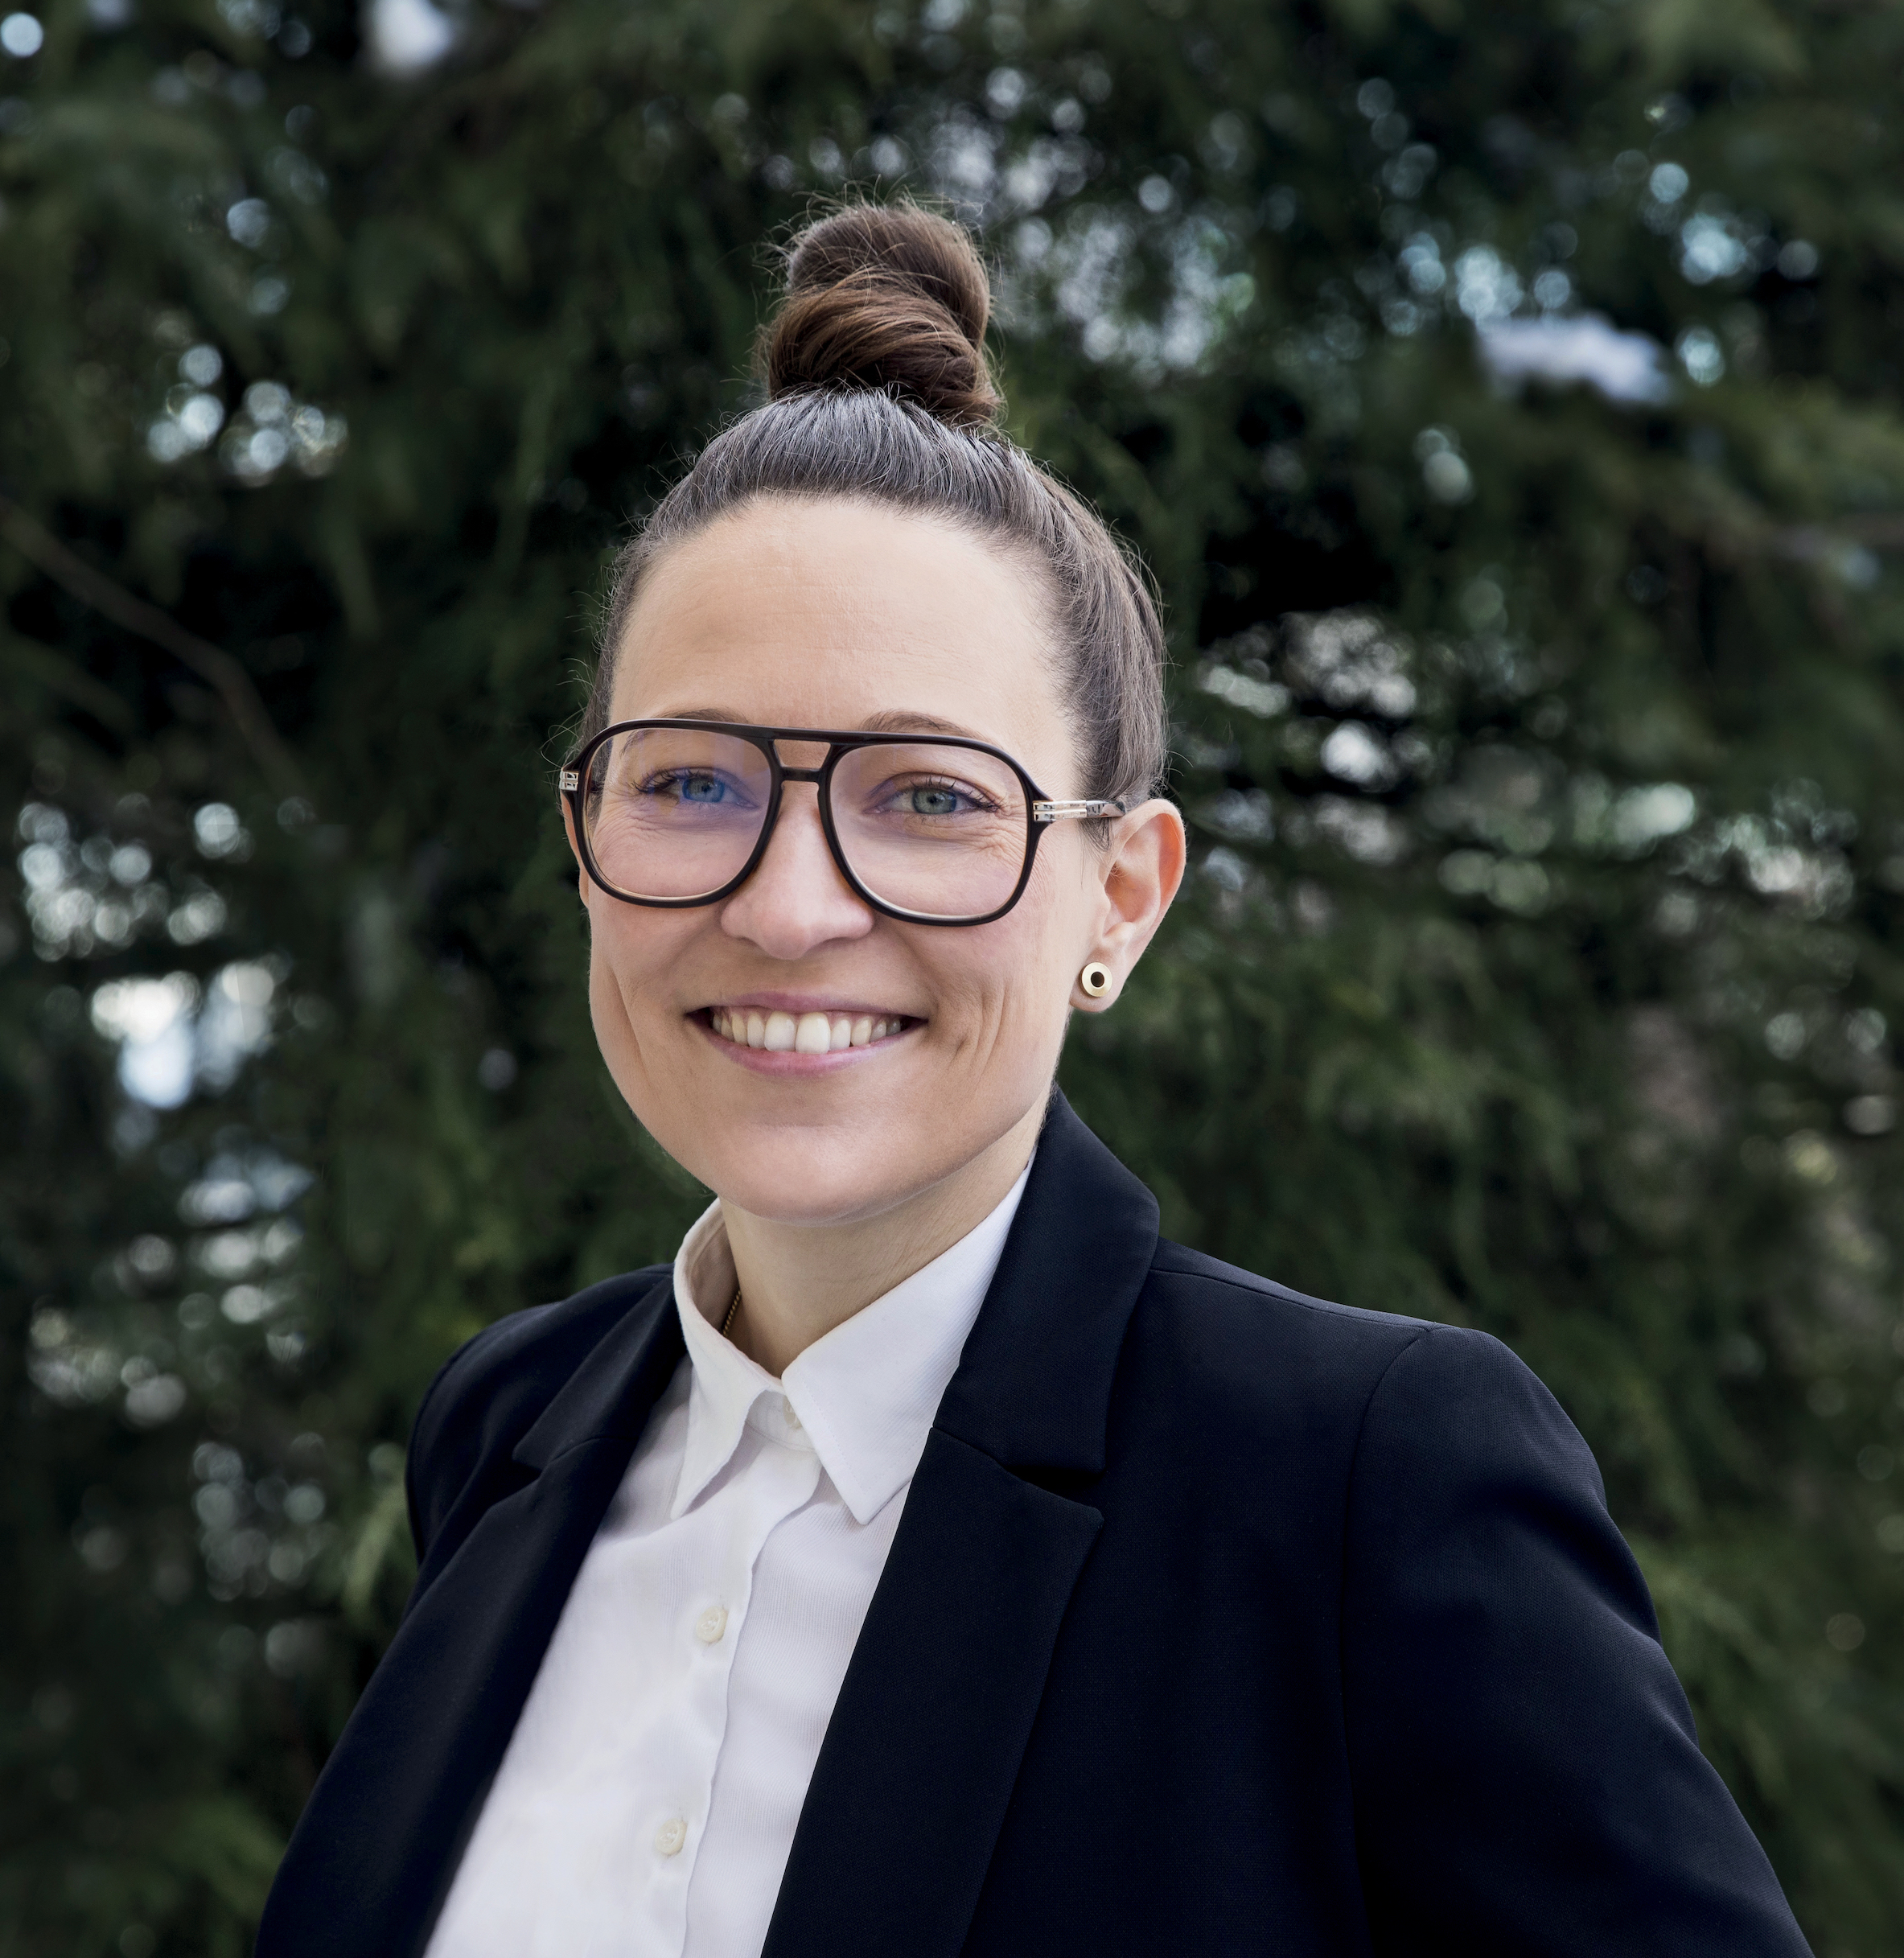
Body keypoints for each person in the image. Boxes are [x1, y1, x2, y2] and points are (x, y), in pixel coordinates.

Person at [257, 204, 1811, 1958]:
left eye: (929, 798)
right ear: (582, 839)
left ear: (1119, 897)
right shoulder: (504, 1426)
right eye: (689, 783)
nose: (785, 907)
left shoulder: (1355, 1482)